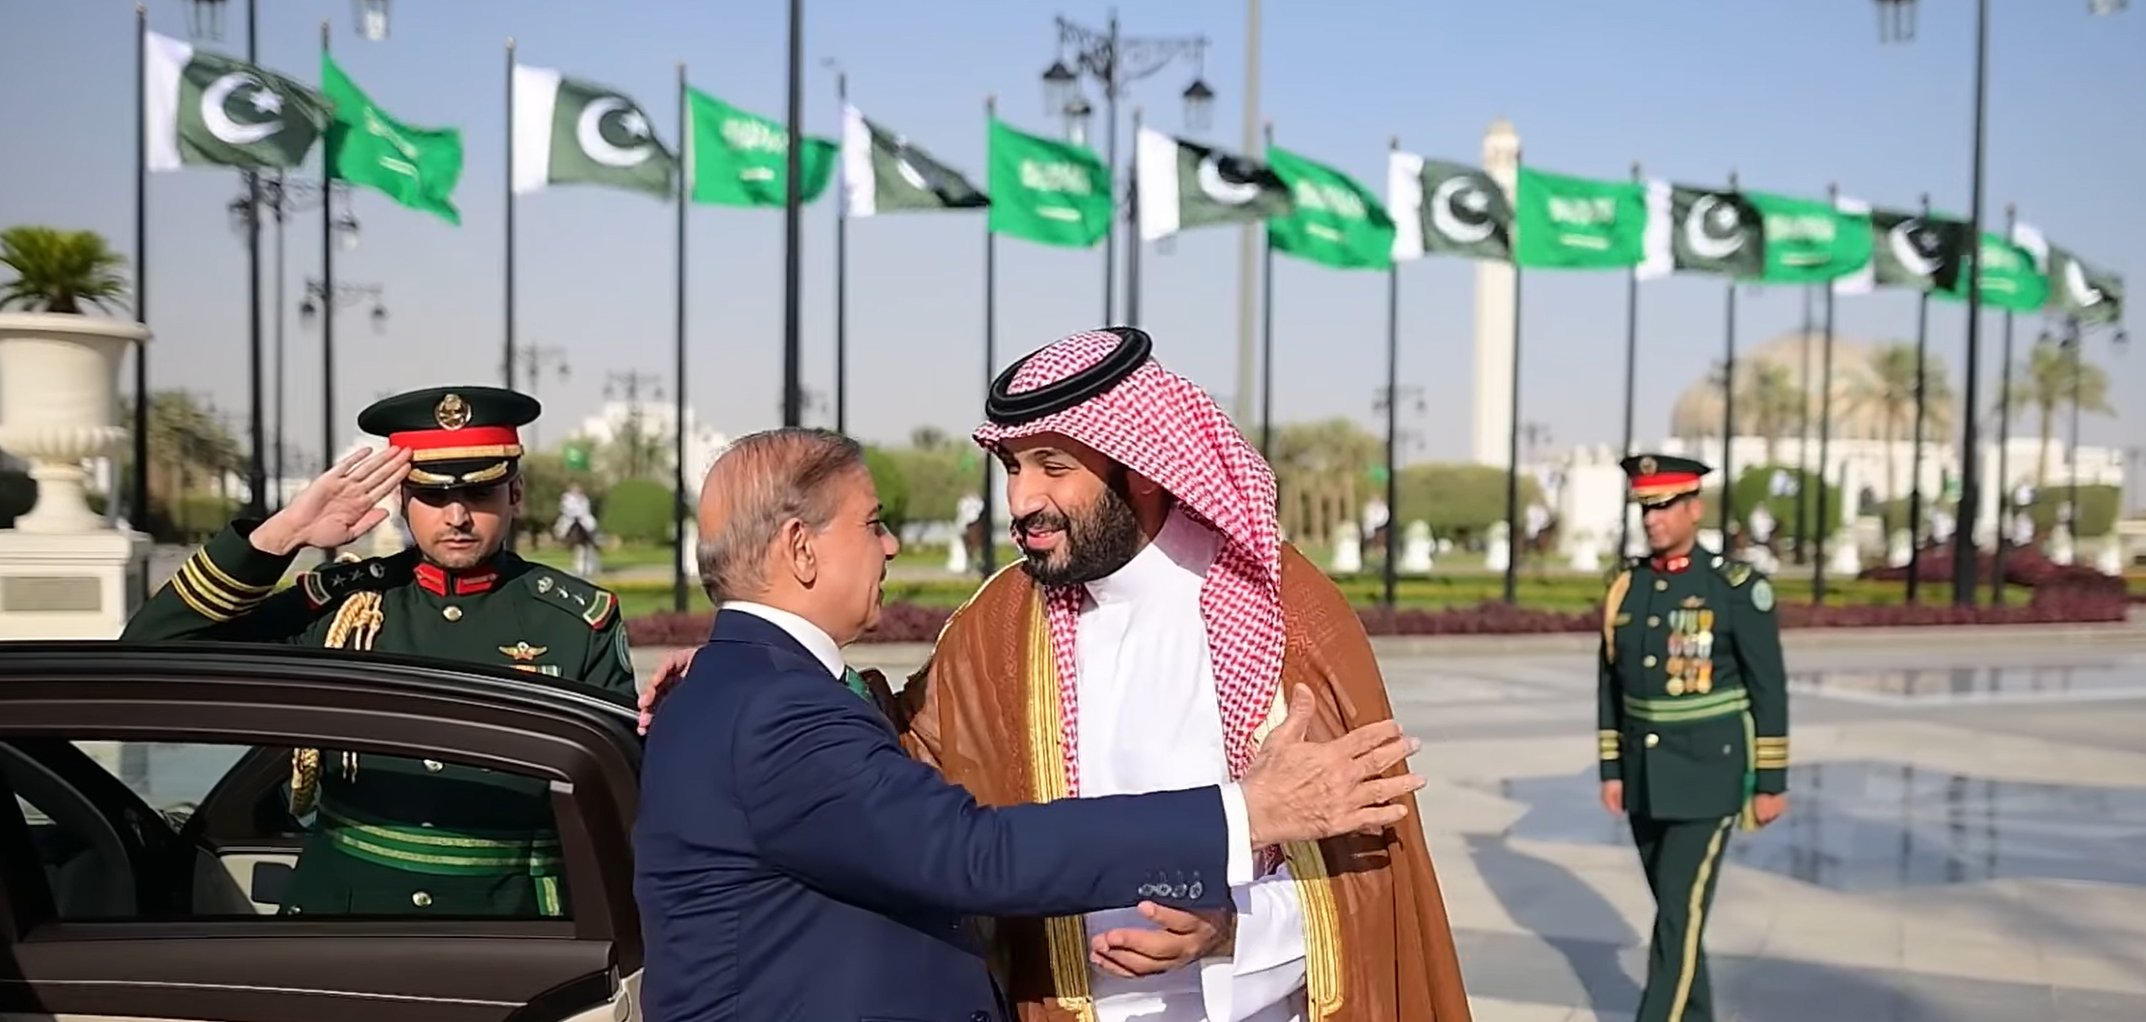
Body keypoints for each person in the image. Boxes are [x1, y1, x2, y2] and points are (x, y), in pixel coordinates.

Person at [642, 327, 1474, 1022]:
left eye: (1052, 465)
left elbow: (1369, 890)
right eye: (1010, 466)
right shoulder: (1001, 627)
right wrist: (734, 681)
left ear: (1140, 466)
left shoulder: (1289, 613)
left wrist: (1233, 934)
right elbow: (921, 808)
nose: (1020, 501)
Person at [122, 385, 636, 917]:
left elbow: (616, 794)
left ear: (516, 493)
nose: (456, 516)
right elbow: (147, 655)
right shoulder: (343, 604)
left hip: (512, 924)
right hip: (349, 919)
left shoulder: (577, 619)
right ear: (401, 500)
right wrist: (285, 534)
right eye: (433, 497)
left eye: (480, 494)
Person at [1598, 454, 1790, 1022]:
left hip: (1710, 778)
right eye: (1645, 508)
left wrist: (1771, 781)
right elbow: (1609, 684)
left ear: (1693, 508)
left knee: (1679, 914)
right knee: (1677, 916)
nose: (1652, 519)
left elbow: (1769, 689)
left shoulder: (1735, 588)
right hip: (1644, 779)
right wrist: (1612, 768)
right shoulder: (1627, 588)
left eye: (1663, 507)